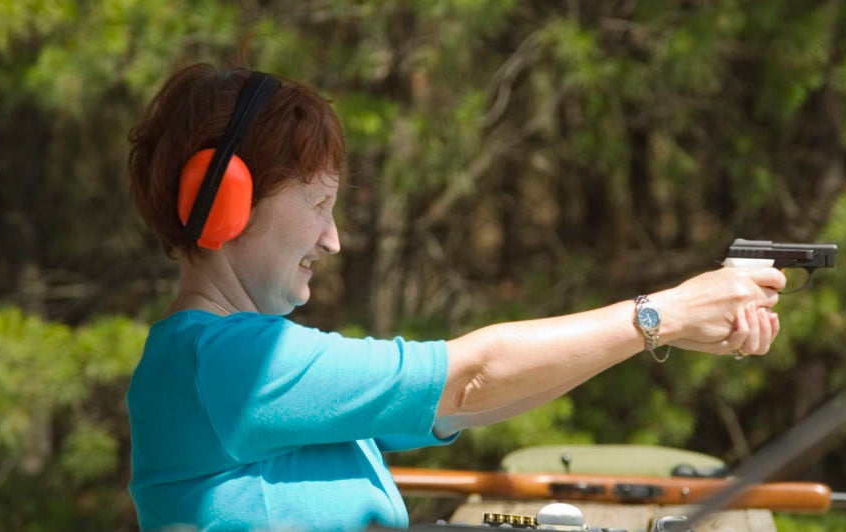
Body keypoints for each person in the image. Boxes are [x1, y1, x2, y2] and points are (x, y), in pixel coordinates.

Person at [126, 63, 785, 532]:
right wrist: (663, 313)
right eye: (319, 204)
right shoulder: (224, 362)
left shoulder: (223, 363)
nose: (333, 239)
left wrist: (659, 330)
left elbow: (476, 402)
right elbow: (471, 378)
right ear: (228, 201)